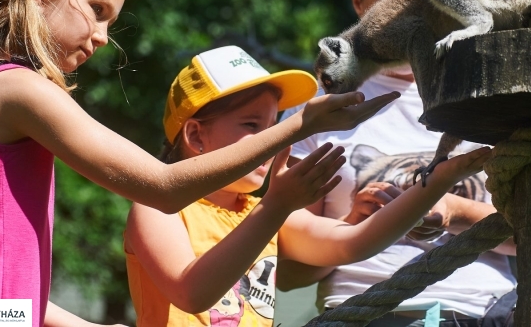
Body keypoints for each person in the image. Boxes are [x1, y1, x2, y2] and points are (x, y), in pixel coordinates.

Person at [0, 0, 398, 327]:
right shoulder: (16, 87)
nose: (102, 37)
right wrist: (299, 126)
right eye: (96, 9)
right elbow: (162, 187)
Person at [123, 45, 491, 327]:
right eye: (252, 126)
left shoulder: (257, 211)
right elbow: (192, 293)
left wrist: (441, 179)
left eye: (272, 126)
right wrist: (276, 205)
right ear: (195, 135)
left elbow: (356, 242)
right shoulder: (159, 210)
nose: (269, 140)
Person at [278, 0, 517, 327]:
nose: (413, 16)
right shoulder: (315, 107)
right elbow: (285, 271)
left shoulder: (498, 94)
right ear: (357, 2)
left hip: (485, 312)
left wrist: (452, 210)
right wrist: (354, 225)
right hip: (360, 314)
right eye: (393, 1)